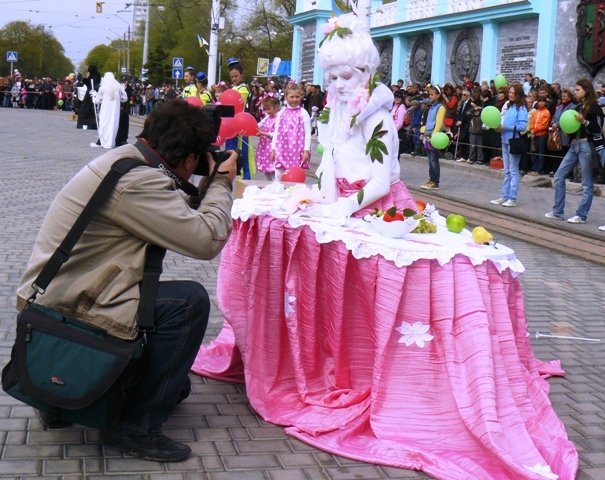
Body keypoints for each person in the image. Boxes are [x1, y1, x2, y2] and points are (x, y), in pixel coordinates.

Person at [16, 99, 239, 462]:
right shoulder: (137, 183)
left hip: (60, 294)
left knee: (176, 385)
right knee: (189, 302)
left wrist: (202, 183)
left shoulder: (129, 161)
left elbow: (176, 214)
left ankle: (65, 397)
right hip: (74, 305)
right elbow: (205, 240)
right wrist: (220, 184)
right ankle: (136, 428)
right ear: (187, 160)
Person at [314, 13, 417, 217]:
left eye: (346, 76)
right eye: (333, 78)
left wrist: (344, 207)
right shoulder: (336, 114)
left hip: (376, 209)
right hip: (340, 204)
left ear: (366, 75)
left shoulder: (377, 119)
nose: (339, 85)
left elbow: (380, 183)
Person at [545, 78, 604, 224]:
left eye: (578, 90)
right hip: (574, 144)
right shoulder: (577, 107)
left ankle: (581, 215)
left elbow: (598, 129)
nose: (575, 92)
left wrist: (584, 121)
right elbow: (569, 124)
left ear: (587, 90)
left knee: (586, 183)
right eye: (575, 89)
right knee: (559, 176)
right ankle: (558, 211)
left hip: (587, 145)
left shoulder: (595, 107)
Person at [490, 83, 528, 207]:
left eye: (513, 93)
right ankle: (504, 196)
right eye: (510, 92)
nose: (511, 95)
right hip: (504, 140)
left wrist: (504, 127)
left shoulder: (521, 108)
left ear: (519, 94)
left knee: (513, 170)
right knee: (506, 170)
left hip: (514, 141)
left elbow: (522, 127)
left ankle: (512, 197)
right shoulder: (510, 106)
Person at [270, 82, 311, 180]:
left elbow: (308, 133)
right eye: (291, 97)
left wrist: (306, 151)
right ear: (286, 97)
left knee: (295, 174)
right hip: (282, 148)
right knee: (279, 174)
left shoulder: (303, 113)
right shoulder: (281, 113)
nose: (294, 99)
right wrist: (273, 149)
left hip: (297, 150)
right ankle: (278, 191)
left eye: (297, 97)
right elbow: (276, 132)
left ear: (301, 97)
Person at [419, 85, 446, 190]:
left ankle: (435, 182)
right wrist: (423, 132)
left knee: (434, 160)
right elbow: (427, 122)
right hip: (427, 135)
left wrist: (433, 136)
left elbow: (438, 124)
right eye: (429, 94)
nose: (430, 96)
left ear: (438, 95)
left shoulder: (441, 107)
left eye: (432, 94)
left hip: (433, 136)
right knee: (430, 160)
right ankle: (431, 179)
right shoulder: (431, 107)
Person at [91, 72, 127, 149]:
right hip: (115, 111)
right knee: (113, 124)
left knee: (104, 124)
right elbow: (125, 98)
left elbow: (97, 100)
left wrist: (94, 95)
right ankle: (111, 142)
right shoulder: (118, 86)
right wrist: (118, 100)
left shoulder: (103, 87)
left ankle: (104, 142)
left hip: (105, 110)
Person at [256, 96, 280, 180]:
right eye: (265, 109)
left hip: (273, 147)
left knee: (273, 169)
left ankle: (276, 186)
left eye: (269, 109)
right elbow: (258, 125)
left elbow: (277, 135)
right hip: (264, 147)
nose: (267, 111)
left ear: (276, 107)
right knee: (266, 169)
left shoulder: (279, 118)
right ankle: (269, 185)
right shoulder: (267, 117)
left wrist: (263, 133)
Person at [77, 65, 101, 130]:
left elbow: (92, 84)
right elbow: (89, 83)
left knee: (91, 109)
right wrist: (83, 79)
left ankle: (92, 124)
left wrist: (84, 80)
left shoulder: (96, 75)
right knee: (86, 109)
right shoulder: (92, 75)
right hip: (89, 92)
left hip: (92, 93)